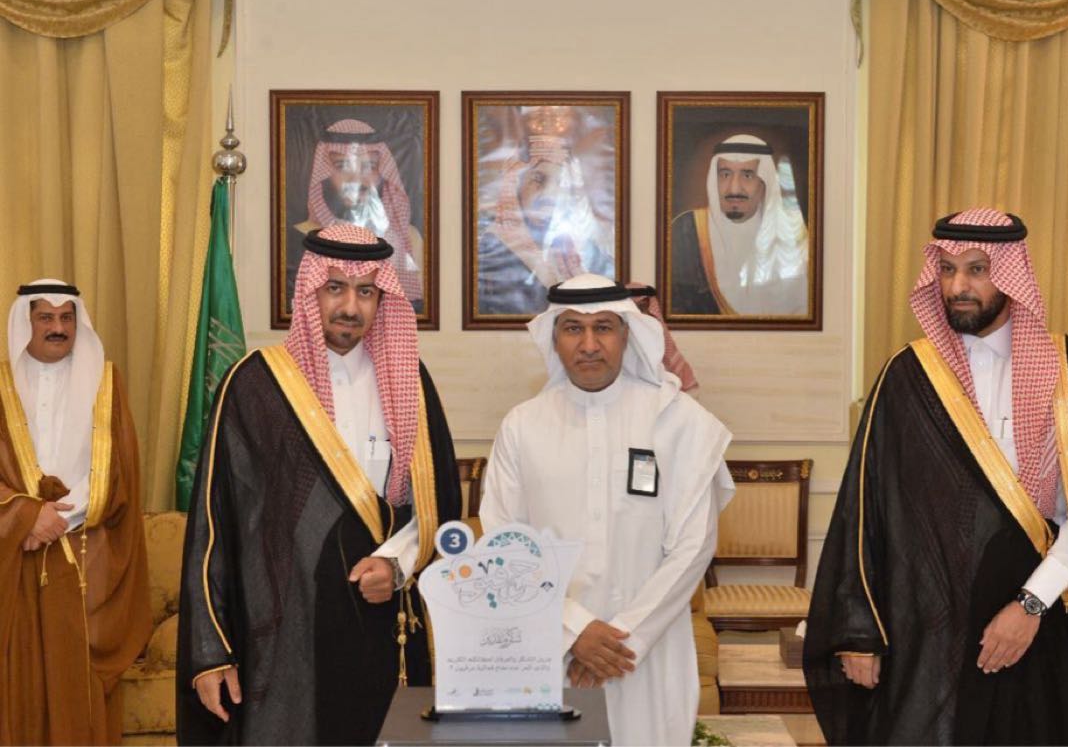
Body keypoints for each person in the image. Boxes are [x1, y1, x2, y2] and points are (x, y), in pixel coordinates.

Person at [803, 208, 1068, 744]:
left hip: (1039, 622)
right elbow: (866, 508)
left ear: (1010, 274)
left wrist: (1030, 603)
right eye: (947, 269)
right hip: (929, 626)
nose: (958, 286)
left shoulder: (1066, 371)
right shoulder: (908, 376)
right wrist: (859, 633)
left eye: (977, 269)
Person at [177, 224, 461, 745]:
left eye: (366, 291)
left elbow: (438, 503)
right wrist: (210, 651)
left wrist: (396, 565)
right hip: (286, 631)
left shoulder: (411, 381)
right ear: (309, 290)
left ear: (383, 298)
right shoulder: (256, 384)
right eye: (335, 288)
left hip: (382, 622)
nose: (350, 306)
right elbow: (215, 523)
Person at [480, 274, 734, 745]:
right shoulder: (522, 426)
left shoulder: (679, 421)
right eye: (573, 328)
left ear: (627, 333)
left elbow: (693, 547)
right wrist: (574, 632)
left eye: (603, 327)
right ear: (554, 338)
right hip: (549, 649)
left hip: (648, 653)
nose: (589, 344)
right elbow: (504, 546)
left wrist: (622, 640)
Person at [0, 279, 151, 744]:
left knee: (76, 683)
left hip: (85, 551)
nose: (58, 328)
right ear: (26, 322)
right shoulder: (1, 386)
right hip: (12, 555)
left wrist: (58, 519)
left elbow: (119, 466)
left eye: (67, 318)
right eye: (46, 317)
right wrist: (26, 516)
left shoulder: (105, 383)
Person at [477, 106, 615, 315]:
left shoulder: (591, 255)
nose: (549, 196)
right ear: (515, 186)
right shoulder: (487, 254)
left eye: (561, 183)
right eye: (538, 179)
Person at [669, 134, 809, 316]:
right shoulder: (685, 231)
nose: (734, 188)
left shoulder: (791, 237)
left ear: (764, 182)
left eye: (747, 175)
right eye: (725, 175)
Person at [301, 118, 424, 310]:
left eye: (369, 166)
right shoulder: (303, 236)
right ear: (323, 174)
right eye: (342, 166)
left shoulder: (408, 236)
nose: (357, 179)